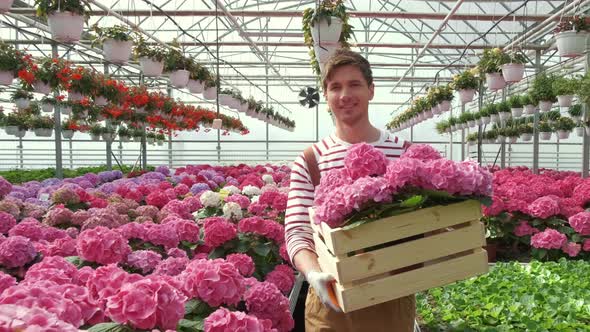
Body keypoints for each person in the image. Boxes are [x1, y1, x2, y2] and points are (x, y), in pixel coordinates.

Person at [284, 49, 416, 332]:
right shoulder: (310, 160)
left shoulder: (406, 154)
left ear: (371, 90)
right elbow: (297, 232)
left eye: (354, 84)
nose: (345, 95)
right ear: (326, 96)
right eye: (335, 87)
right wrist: (314, 274)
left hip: (391, 298)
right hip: (331, 299)